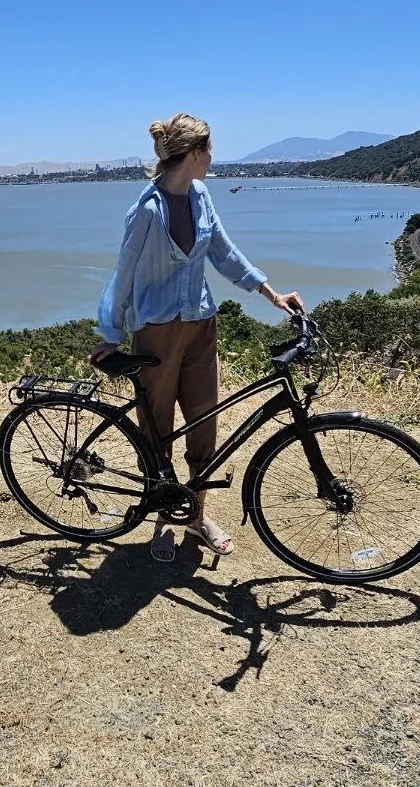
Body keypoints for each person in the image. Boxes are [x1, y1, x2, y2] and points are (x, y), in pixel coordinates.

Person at [90, 113, 303, 562]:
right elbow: (124, 274)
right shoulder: (148, 210)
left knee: (205, 423)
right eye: (210, 151)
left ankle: (196, 514)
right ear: (194, 153)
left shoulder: (202, 196)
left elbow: (224, 253)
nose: (212, 159)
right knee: (158, 430)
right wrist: (112, 331)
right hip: (158, 331)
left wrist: (270, 293)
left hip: (202, 325)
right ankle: (164, 519)